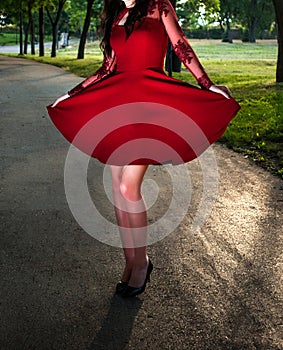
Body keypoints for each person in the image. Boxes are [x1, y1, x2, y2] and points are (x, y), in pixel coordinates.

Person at [47, 0, 240, 297]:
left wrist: (206, 83)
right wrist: (71, 94)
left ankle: (141, 264)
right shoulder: (115, 12)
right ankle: (131, 262)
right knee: (116, 186)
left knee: (127, 188)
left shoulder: (159, 6)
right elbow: (108, 67)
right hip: (117, 108)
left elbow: (181, 46)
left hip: (149, 105)